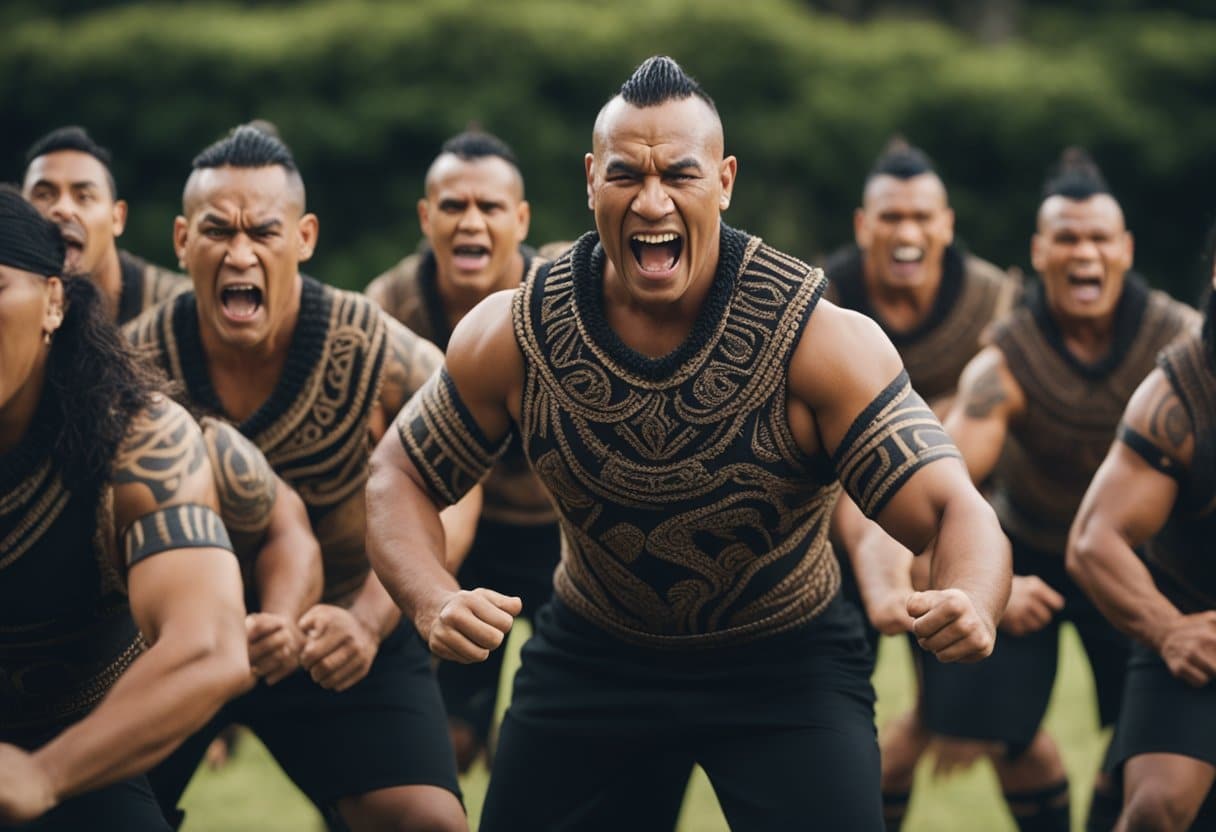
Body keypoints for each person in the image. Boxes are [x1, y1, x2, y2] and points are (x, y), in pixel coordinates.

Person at [366, 55, 1011, 831]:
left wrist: (972, 597)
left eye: (680, 174)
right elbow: (398, 473)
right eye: (625, 176)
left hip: (787, 662)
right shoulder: (517, 331)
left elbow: (952, 508)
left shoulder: (816, 339)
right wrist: (430, 597)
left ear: (726, 180)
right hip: (594, 658)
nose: (652, 201)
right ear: (589, 180)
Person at [125, 124, 469, 831]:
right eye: (218, 231)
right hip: (178, 641)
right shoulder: (133, 366)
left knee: (428, 823)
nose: (241, 251)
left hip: (340, 624)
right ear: (183, 241)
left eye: (265, 230)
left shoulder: (374, 348)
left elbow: (456, 485)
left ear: (305, 237)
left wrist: (370, 622)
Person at [920, 150, 1200, 832]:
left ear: (1126, 249)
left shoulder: (1182, 343)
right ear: (1040, 251)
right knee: (993, 734)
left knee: (1144, 759)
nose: (1086, 252)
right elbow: (940, 485)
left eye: (1100, 237)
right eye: (1068, 238)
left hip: (1138, 563)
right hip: (1030, 558)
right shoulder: (1007, 359)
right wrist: (992, 584)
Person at [0, 185, 250, 830]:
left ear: (53, 300)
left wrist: (45, 774)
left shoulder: (139, 437)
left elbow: (212, 645)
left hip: (84, 748)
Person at [823, 139, 1021, 830]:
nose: (906, 233)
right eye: (890, 218)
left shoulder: (996, 299)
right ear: (862, 225)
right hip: (832, 535)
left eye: (921, 218)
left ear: (947, 224)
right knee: (839, 736)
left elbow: (994, 424)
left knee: (1006, 739)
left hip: (960, 525)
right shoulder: (819, 296)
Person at [366, 129, 564, 772]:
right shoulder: (387, 311)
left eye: (490, 207)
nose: (470, 221)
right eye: (453, 206)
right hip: (451, 534)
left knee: (571, 741)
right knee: (447, 742)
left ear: (521, 219)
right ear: (427, 217)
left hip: (569, 536)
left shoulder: (567, 295)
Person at [1067, 239, 1216, 832]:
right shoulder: (1180, 397)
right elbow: (1093, 539)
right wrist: (1170, 630)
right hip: (1197, 617)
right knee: (1159, 808)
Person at [23, 126, 188, 325]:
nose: (63, 209)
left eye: (84, 196)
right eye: (44, 195)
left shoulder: (179, 311)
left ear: (117, 218)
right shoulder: (8, 305)